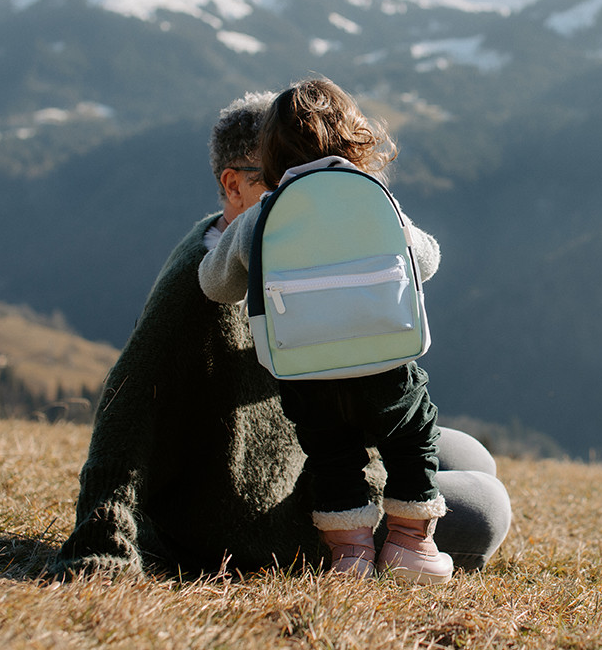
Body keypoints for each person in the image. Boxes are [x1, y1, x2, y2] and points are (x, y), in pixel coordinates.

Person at [53, 89, 510, 578]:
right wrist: (103, 532)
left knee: (471, 454)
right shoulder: (200, 281)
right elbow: (128, 406)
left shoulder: (260, 238)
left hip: (317, 447)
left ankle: (389, 531)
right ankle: (378, 554)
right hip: (265, 510)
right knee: (487, 506)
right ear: (234, 186)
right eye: (280, 181)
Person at [197, 80, 450, 583]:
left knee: (332, 457)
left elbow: (216, 286)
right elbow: (427, 259)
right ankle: (408, 547)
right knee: (413, 439)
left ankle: (350, 558)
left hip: (303, 369)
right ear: (357, 139)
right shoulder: (377, 198)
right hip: (385, 359)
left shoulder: (264, 214)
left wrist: (215, 240)